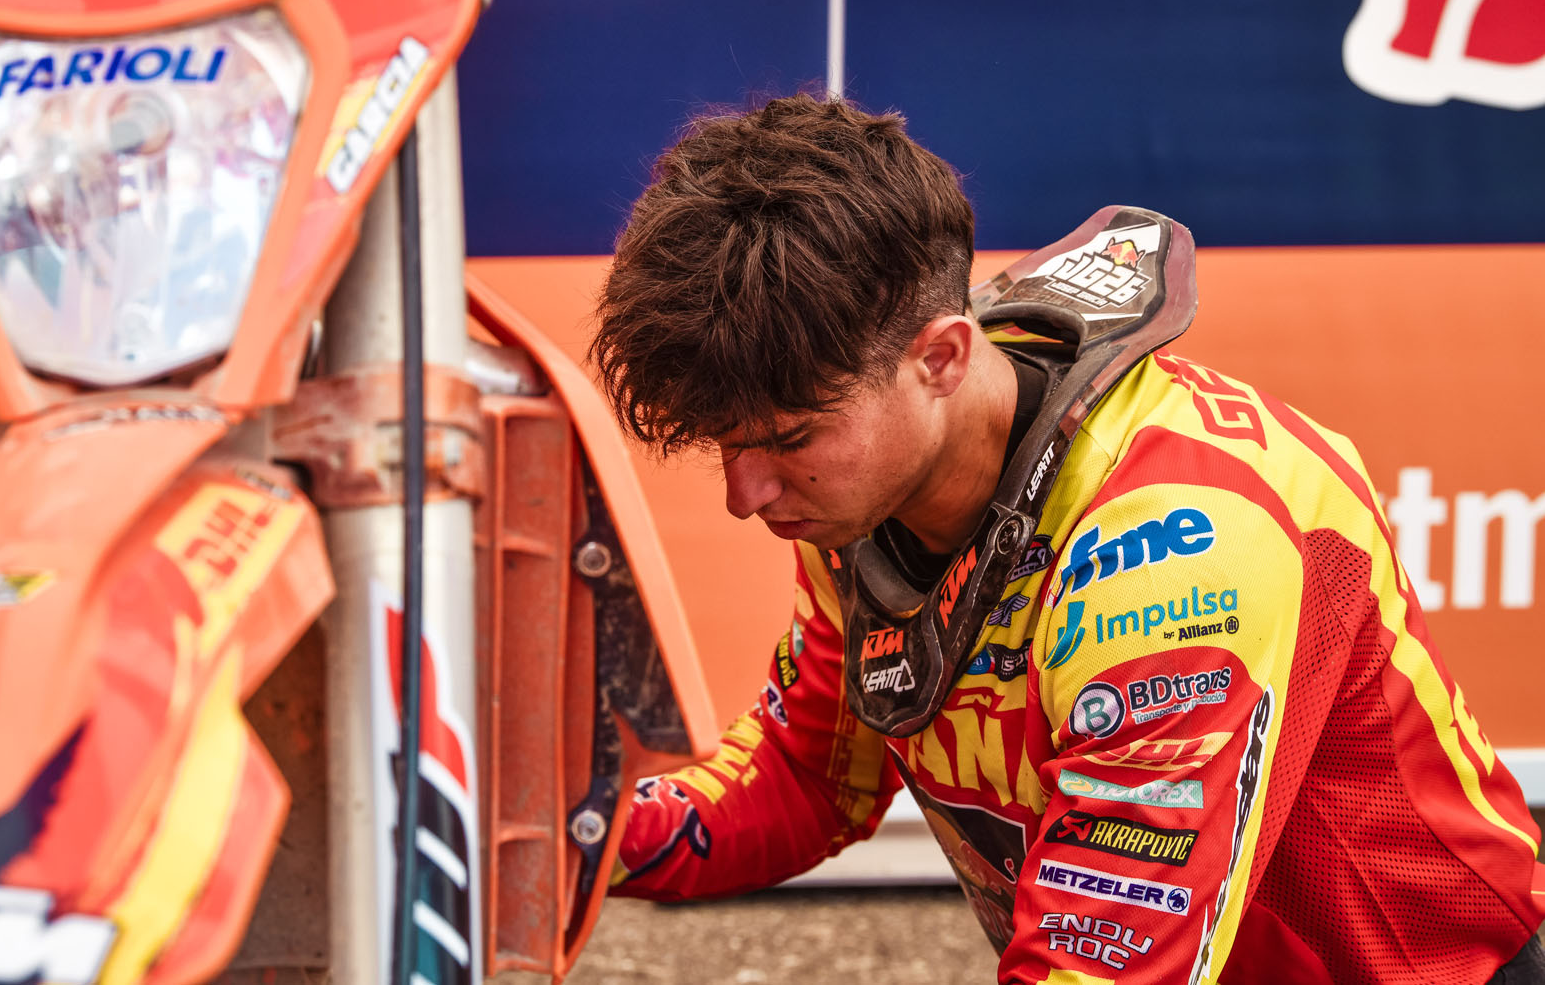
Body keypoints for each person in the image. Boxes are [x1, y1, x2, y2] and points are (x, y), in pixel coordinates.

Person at [590, 93, 1545, 984]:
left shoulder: (1176, 542)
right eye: (725, 444)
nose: (745, 494)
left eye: (790, 439)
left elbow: (1099, 962)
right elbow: (810, 775)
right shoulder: (859, 487)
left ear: (942, 358)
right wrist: (575, 832)